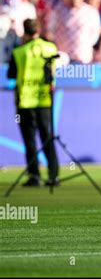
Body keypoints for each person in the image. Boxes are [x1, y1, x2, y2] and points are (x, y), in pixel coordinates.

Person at [7, 19, 59, 186]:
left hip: (25, 101)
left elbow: (11, 74)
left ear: (25, 31)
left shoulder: (19, 51)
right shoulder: (51, 48)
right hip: (45, 100)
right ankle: (53, 175)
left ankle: (34, 175)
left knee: (30, 140)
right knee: (47, 138)